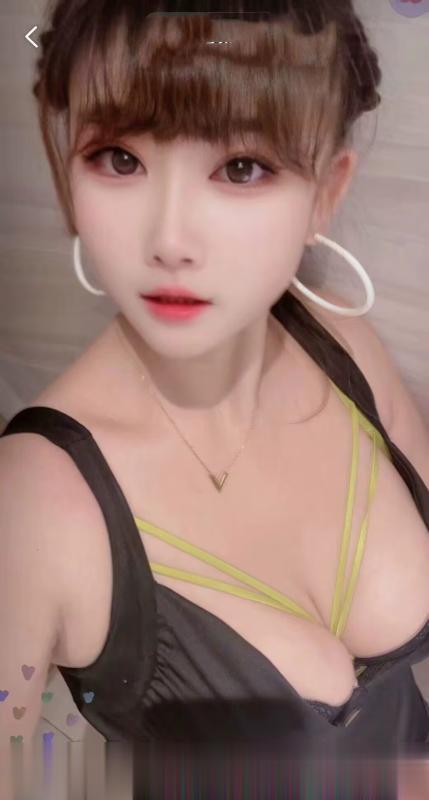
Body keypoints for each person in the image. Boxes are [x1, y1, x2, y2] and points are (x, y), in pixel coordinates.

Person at [1, 0, 429, 790]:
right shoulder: (31, 508)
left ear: (326, 191)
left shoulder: (345, 350)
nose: (169, 239)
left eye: (240, 168)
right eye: (118, 159)